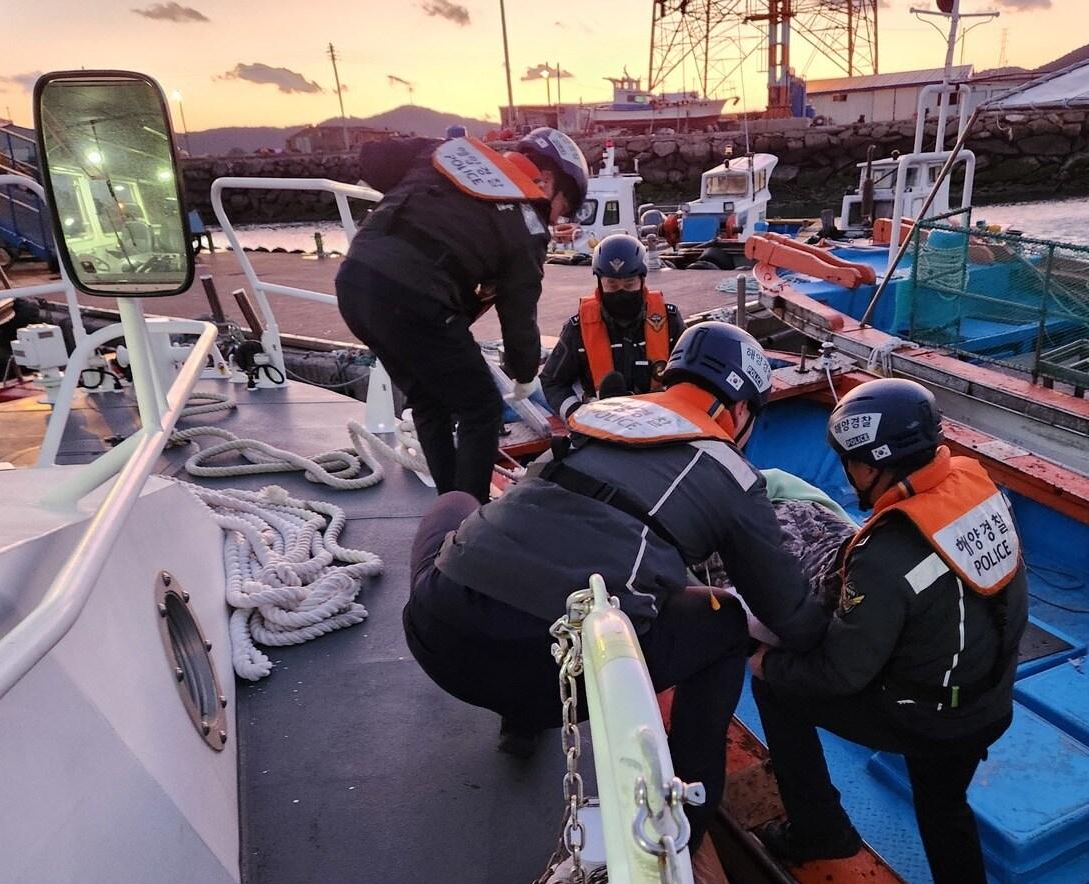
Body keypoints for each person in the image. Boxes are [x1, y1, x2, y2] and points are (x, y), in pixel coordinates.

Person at [403, 321, 827, 844]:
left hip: (439, 638)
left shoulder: (595, 422)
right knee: (726, 623)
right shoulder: (732, 474)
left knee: (455, 504)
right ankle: (689, 814)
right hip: (558, 682)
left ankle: (518, 726)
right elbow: (788, 613)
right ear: (741, 411)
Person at [749, 378, 1027, 884]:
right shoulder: (974, 487)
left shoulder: (885, 553)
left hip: (930, 717)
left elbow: (840, 674)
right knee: (944, 801)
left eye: (850, 464)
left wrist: (764, 661)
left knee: (780, 686)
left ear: (875, 465)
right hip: (991, 699)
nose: (847, 476)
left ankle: (818, 829)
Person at [335, 128, 589, 502]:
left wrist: (429, 157)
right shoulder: (528, 223)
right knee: (482, 406)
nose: (553, 221)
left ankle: (448, 503)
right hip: (414, 297)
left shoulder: (450, 153)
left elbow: (374, 157)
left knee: (428, 400)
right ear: (548, 182)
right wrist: (523, 374)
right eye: (560, 209)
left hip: (355, 282)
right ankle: (468, 516)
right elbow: (519, 316)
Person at [539, 233, 684, 418]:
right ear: (599, 284)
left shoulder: (669, 319)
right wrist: (576, 414)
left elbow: (692, 375)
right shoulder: (578, 329)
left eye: (630, 284)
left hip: (663, 421)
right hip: (603, 427)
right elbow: (552, 382)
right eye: (612, 286)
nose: (621, 292)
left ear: (642, 281)